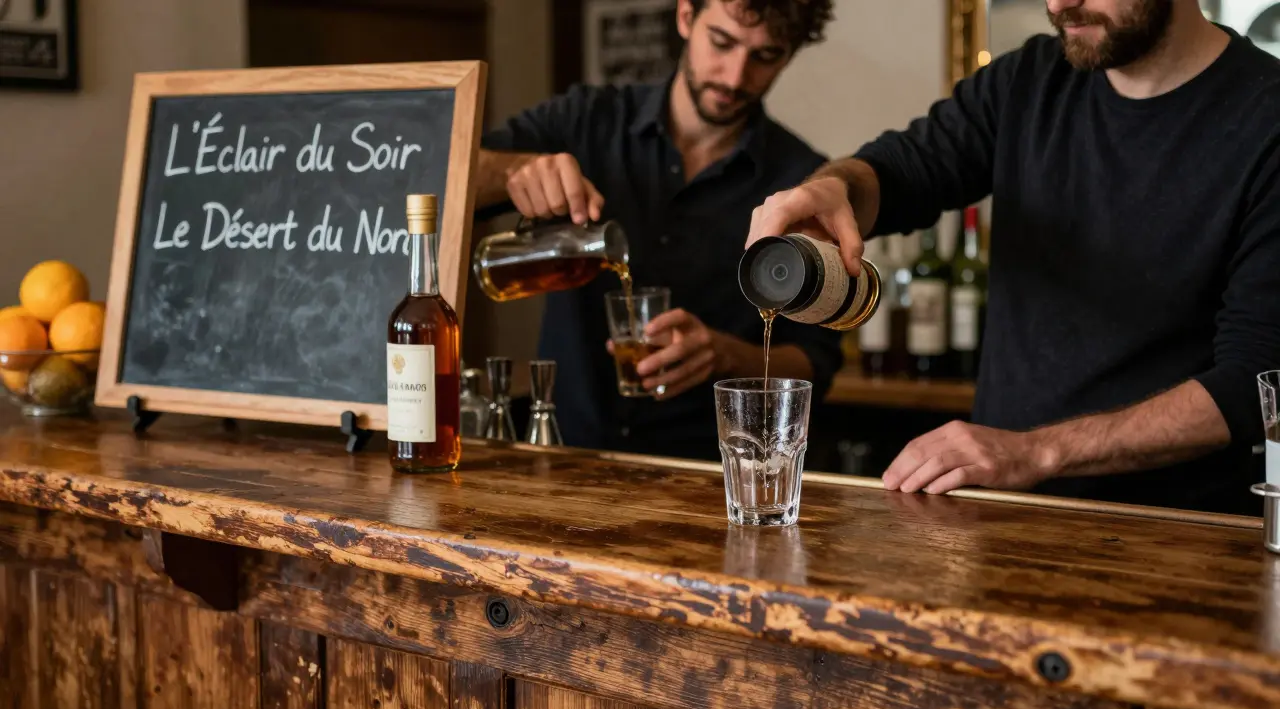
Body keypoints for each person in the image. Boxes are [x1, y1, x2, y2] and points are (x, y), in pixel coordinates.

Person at [747, 0, 1280, 514]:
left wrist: (1033, 452)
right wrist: (831, 188)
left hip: (1173, 533)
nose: (1060, 4)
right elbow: (900, 172)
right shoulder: (1028, 78)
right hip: (1004, 515)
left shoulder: (1266, 119)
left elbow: (1253, 382)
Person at [475, 0, 842, 460]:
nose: (733, 77)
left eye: (765, 56)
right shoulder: (585, 120)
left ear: (788, 56)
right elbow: (450, 179)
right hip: (565, 459)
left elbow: (816, 361)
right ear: (686, 17)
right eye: (722, 42)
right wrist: (519, 170)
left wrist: (726, 355)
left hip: (708, 473)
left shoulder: (801, 180)